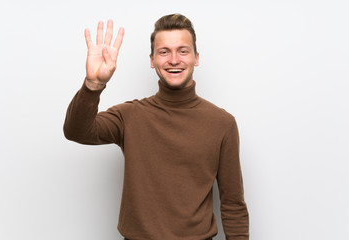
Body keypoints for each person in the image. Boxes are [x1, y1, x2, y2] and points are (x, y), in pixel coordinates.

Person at [64, 14, 249, 240]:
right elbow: (76, 131)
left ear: (196, 58)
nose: (173, 59)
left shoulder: (222, 123)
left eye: (183, 51)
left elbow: (233, 205)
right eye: (164, 52)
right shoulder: (130, 116)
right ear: (152, 60)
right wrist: (93, 84)